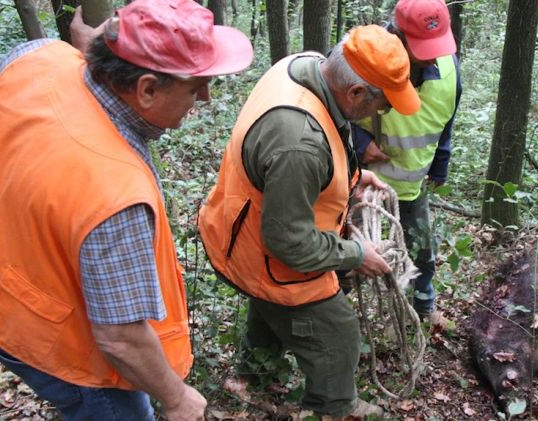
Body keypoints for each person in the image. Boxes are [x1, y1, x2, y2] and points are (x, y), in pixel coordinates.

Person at [0, 1, 252, 420]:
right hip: (66, 353)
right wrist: (176, 398)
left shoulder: (34, 60)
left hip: (5, 301)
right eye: (196, 86)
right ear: (146, 89)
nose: (206, 97)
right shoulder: (113, 192)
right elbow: (121, 339)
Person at [198, 25, 420, 419]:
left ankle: (252, 378)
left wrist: (352, 178)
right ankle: (334, 407)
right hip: (265, 249)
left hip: (245, 234)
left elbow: (319, 154)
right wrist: (355, 254)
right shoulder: (298, 143)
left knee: (271, 306)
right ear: (355, 93)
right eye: (382, 105)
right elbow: (288, 241)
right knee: (338, 331)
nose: (381, 113)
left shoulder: (307, 68)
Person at [351, 0, 462, 328]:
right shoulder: (361, 57)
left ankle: (423, 307)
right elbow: (327, 109)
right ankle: (343, 313)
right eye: (421, 47)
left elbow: (446, 121)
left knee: (421, 248)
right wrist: (359, 145)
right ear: (396, 34)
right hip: (357, 180)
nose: (430, 55)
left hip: (411, 184)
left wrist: (440, 164)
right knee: (348, 246)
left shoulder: (449, 69)